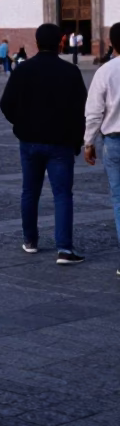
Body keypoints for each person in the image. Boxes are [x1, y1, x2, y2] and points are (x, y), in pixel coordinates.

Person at [0, 22, 87, 263]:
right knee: (62, 194)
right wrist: (77, 140)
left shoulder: (23, 70)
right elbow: (82, 111)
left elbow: (5, 104)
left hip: (29, 141)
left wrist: (21, 124)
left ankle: (30, 241)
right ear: (61, 42)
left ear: (36, 43)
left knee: (29, 192)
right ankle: (65, 249)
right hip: (61, 143)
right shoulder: (71, 72)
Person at [84, 21, 120, 274]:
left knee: (119, 199)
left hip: (114, 142)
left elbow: (95, 112)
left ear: (111, 44)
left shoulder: (106, 72)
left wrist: (89, 142)